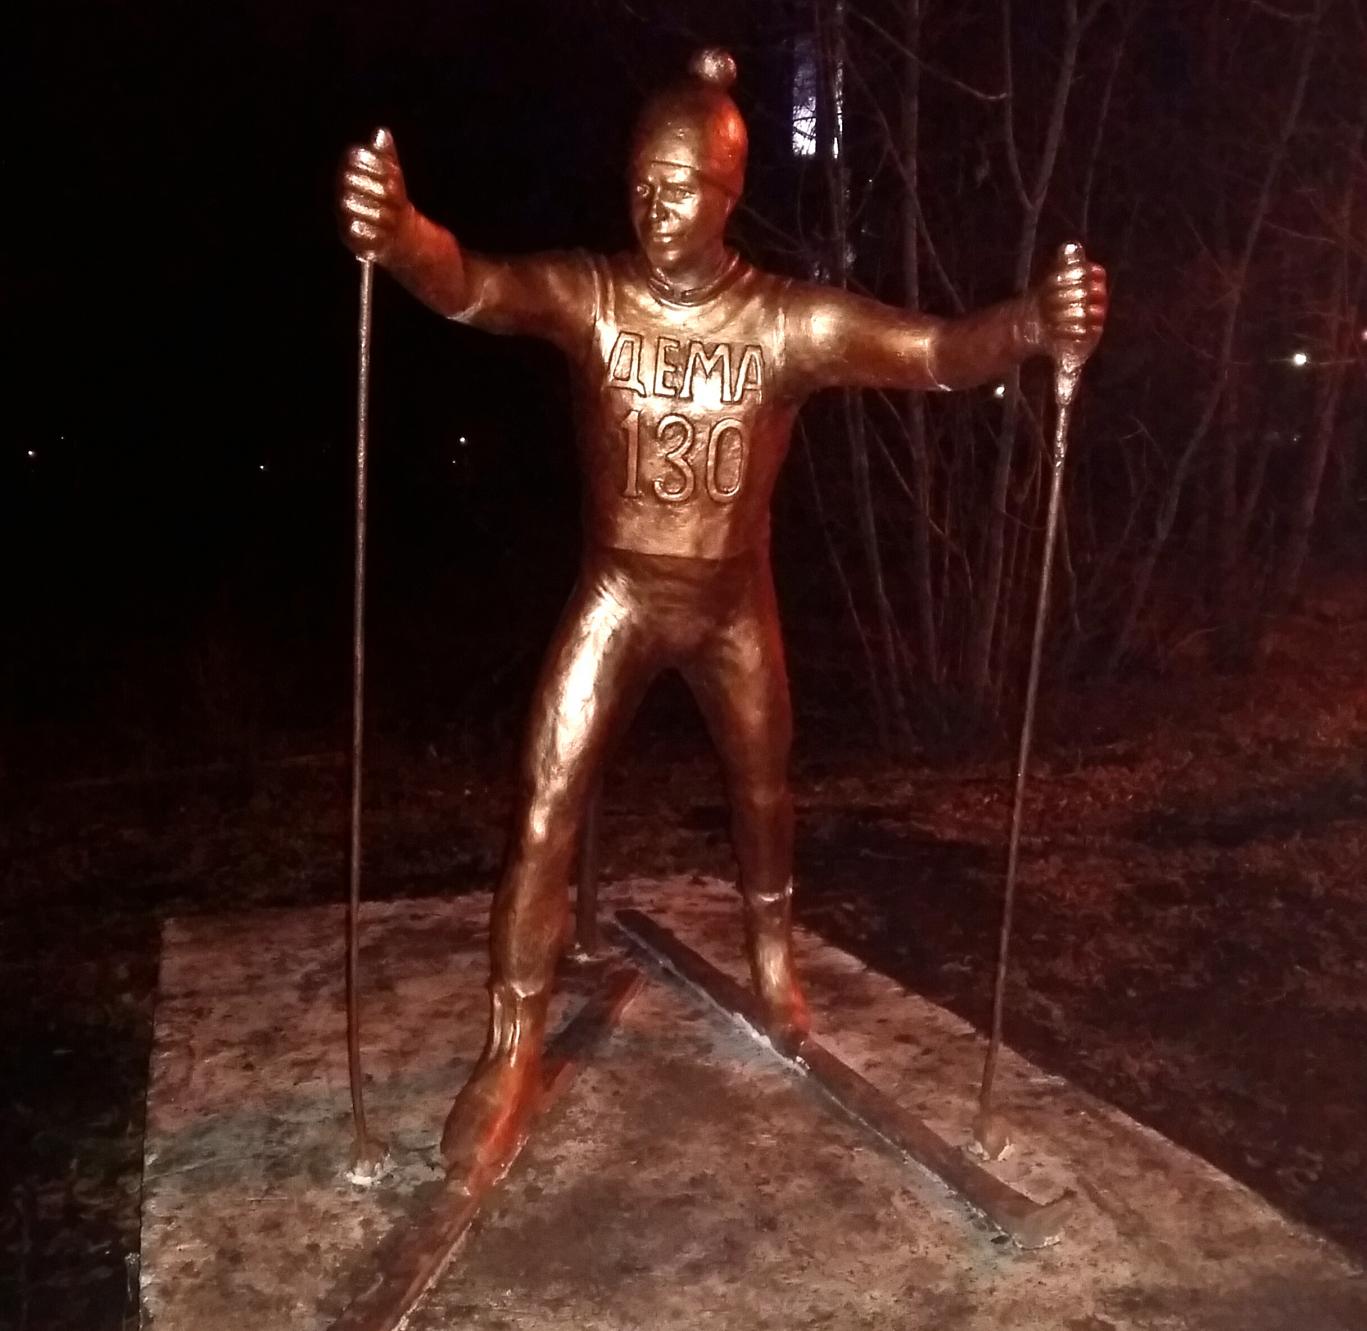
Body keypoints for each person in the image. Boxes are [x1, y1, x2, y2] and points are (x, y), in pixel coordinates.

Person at [338, 48, 1107, 1179]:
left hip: (731, 605)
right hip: (616, 593)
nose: (652, 208)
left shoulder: (783, 322)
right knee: (544, 801)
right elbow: (479, 287)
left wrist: (1032, 324)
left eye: (678, 187)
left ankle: (768, 949)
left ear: (726, 192)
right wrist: (403, 233)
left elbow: (936, 353)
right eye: (638, 185)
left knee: (761, 787)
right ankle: (509, 1045)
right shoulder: (596, 295)